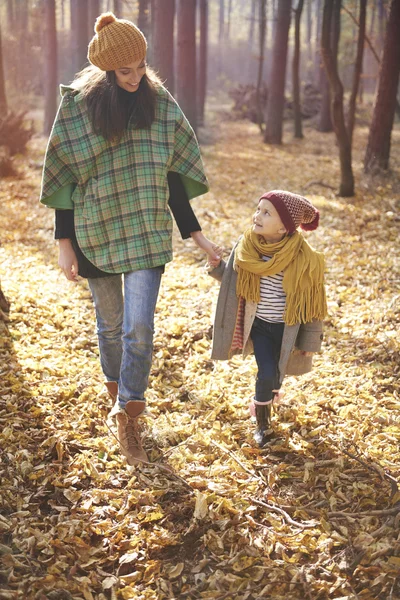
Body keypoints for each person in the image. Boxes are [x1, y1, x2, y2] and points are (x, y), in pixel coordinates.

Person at [40, 12, 221, 466]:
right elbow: (65, 178)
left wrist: (196, 235)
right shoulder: (79, 108)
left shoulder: (158, 104)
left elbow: (174, 175)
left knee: (140, 328)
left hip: (144, 227)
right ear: (105, 71)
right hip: (94, 228)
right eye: (126, 71)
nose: (137, 77)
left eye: (142, 67)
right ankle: (115, 393)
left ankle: (129, 415)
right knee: (110, 326)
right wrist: (64, 243)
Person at [207, 190, 327, 447]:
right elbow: (234, 280)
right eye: (258, 209)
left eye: (266, 213)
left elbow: (313, 305)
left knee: (276, 375)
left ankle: (269, 394)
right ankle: (262, 424)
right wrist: (217, 267)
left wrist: (309, 343)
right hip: (260, 325)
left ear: (283, 228)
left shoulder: (304, 258)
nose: (257, 216)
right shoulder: (248, 247)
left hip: (286, 329)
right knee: (266, 371)